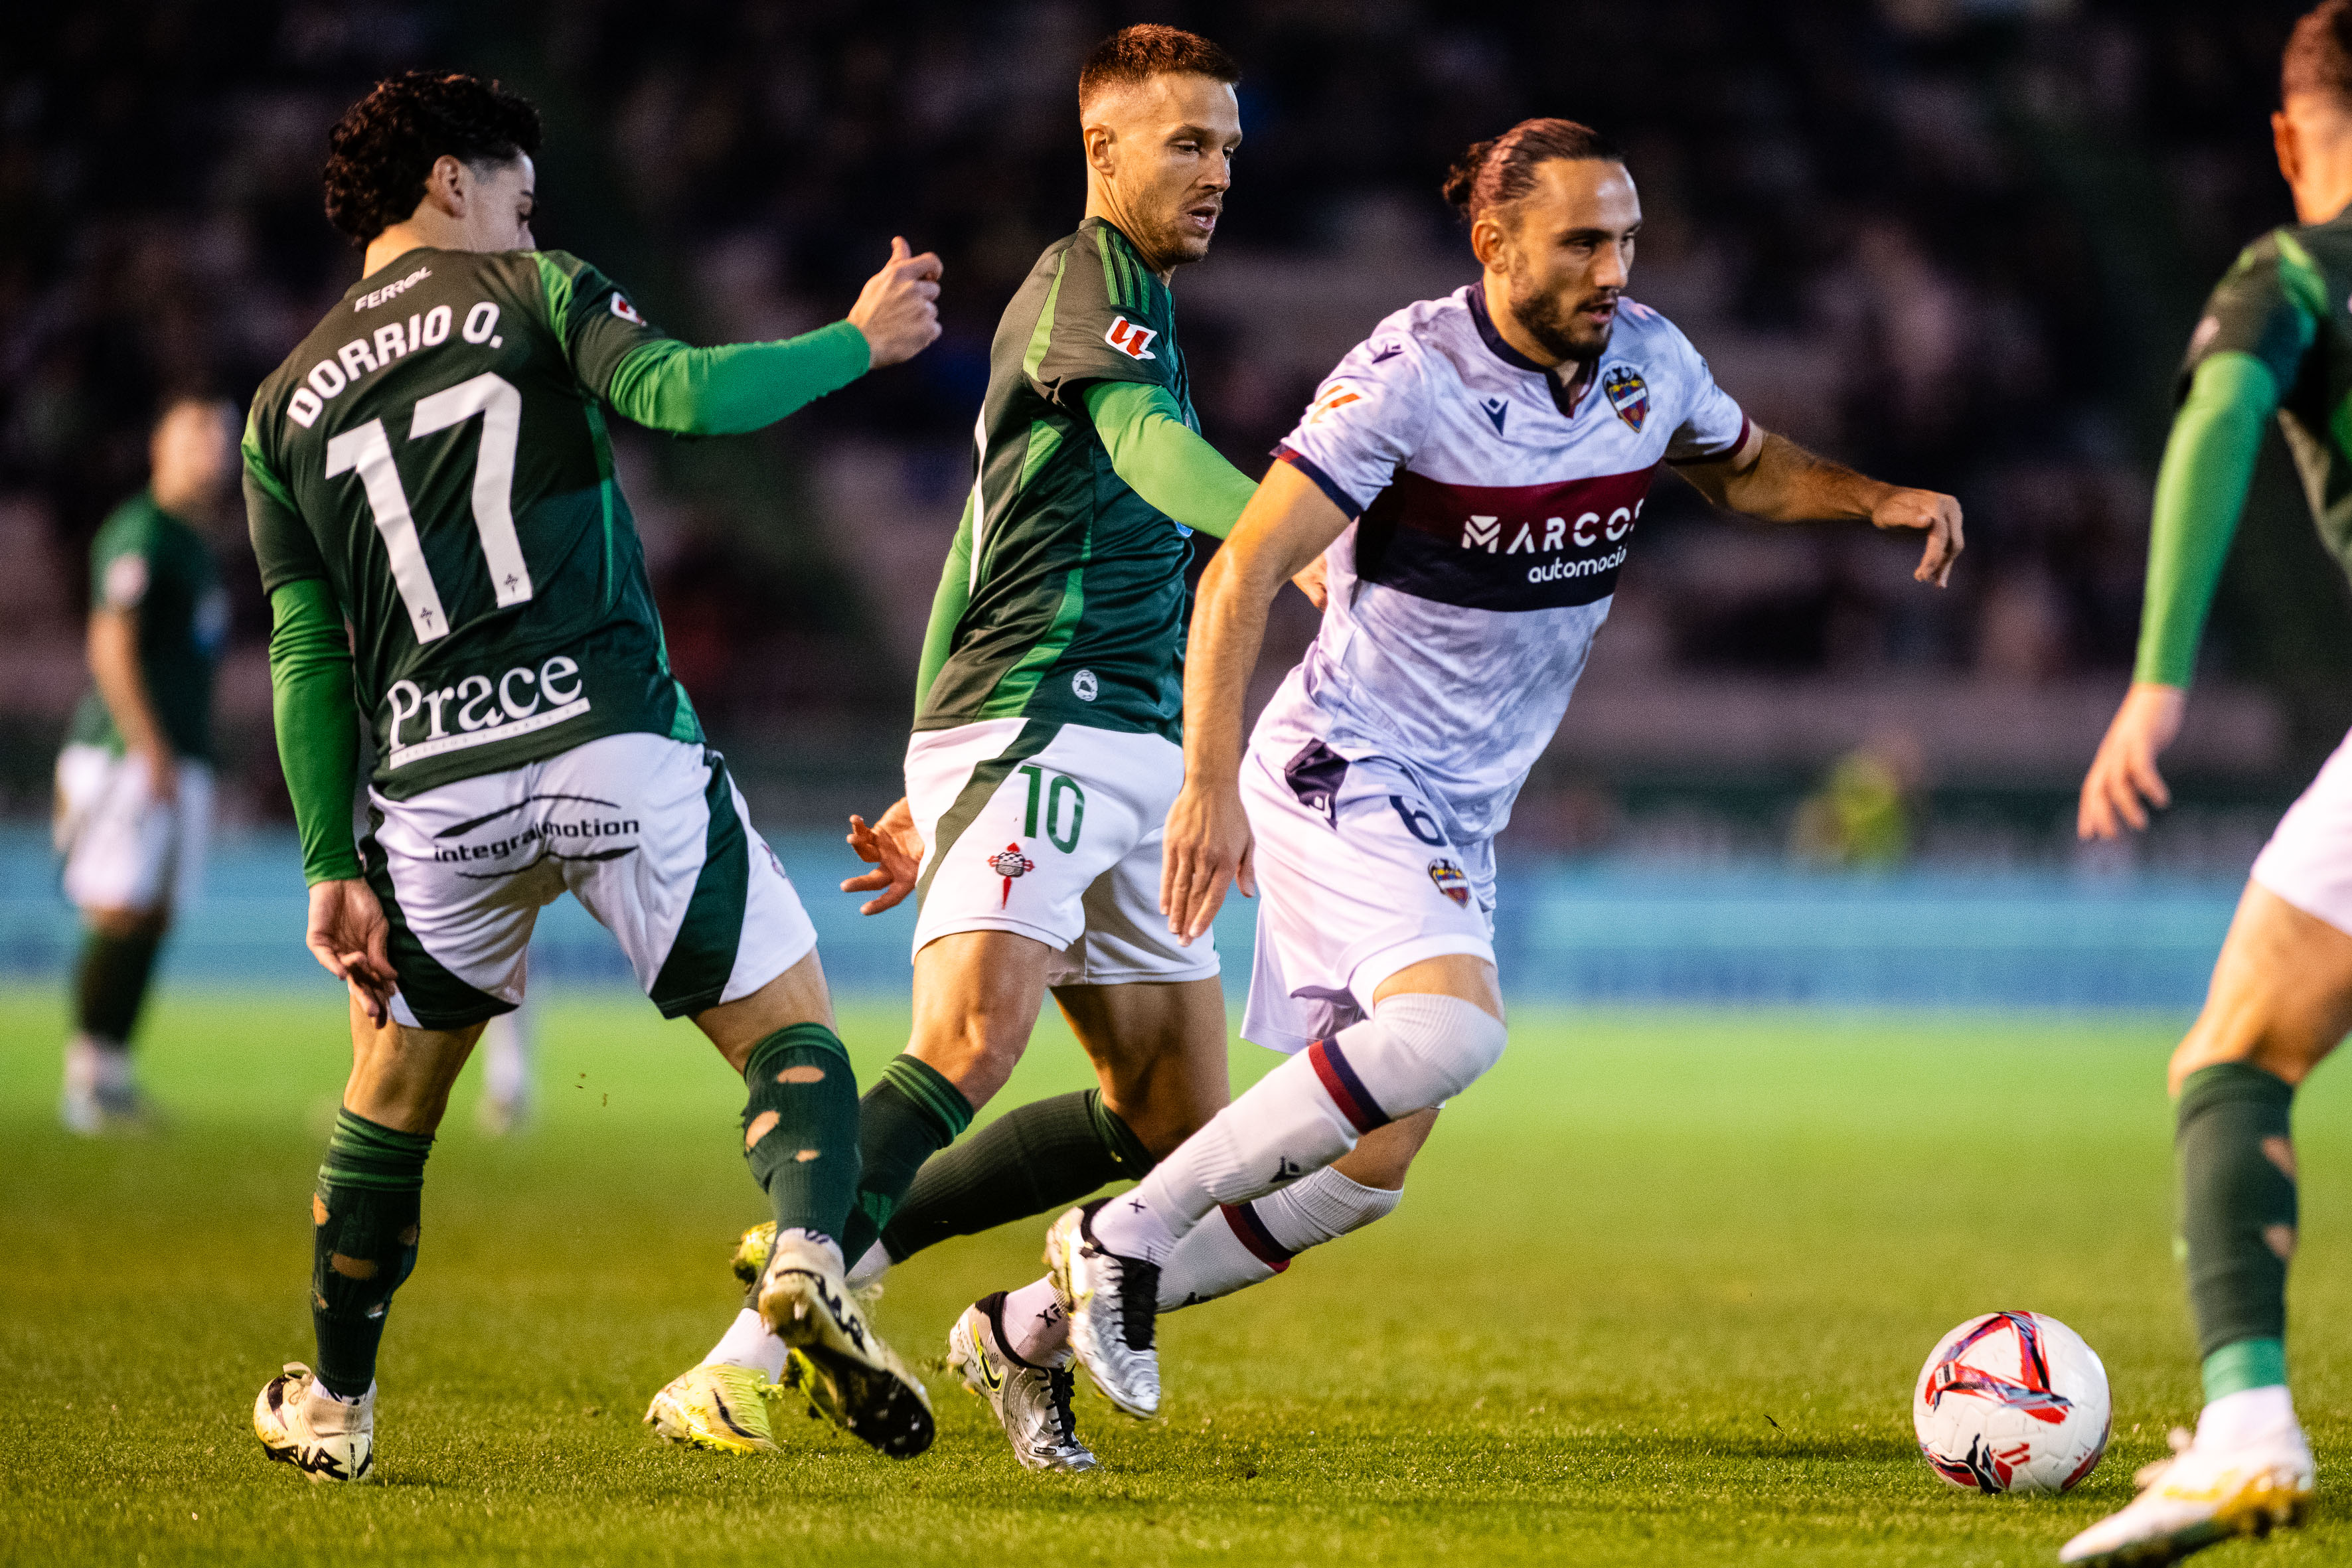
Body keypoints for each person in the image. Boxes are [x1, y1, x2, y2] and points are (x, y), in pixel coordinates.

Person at [1033, 117, 1962, 1427]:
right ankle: (1123, 1234)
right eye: (1580, 241)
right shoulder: (1407, 376)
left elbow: (1744, 472)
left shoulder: (1648, 362)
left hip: (1458, 805)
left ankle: (1021, 1332)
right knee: (1451, 1029)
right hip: (1339, 760)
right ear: (1494, 244)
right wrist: (1200, 787)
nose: (1611, 269)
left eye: (1625, 240)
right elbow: (1242, 566)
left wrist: (1872, 500)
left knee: (1373, 1160)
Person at [649, 25, 1402, 1474]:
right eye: (1185, 143)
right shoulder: (1085, 281)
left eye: (1229, 147)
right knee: (969, 1040)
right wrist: (1285, 532)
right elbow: (1139, 451)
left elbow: (970, 547)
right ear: (1100, 149)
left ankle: (868, 1268)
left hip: (1108, 738)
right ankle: (739, 1359)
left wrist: (922, 760)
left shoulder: (1147, 307)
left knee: (1170, 1117)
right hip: (1049, 721)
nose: (1216, 172)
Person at [238, 68, 943, 1482]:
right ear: (452, 180)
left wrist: (331, 857)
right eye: (515, 191)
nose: (523, 217)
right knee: (790, 1034)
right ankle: (808, 1253)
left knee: (391, 1094)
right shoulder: (528, 288)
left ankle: (338, 1404)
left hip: (433, 793)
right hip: (606, 732)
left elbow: (308, 650)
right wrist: (855, 344)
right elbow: (679, 391)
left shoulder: (277, 410)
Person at [2061, 5, 2352, 1559]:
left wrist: (2158, 673)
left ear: (2291, 134)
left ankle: (2244, 1424)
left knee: (2232, 1056)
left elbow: (2222, 415)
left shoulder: (2299, 270)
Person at [54, 398, 238, 1134]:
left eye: (221, 438)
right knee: (119, 906)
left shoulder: (199, 544)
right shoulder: (144, 530)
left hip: (178, 755)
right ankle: (84, 1078)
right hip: (128, 754)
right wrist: (149, 745)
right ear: (161, 444)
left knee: (154, 916)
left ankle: (115, 1074)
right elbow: (110, 642)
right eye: (197, 435)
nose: (213, 451)